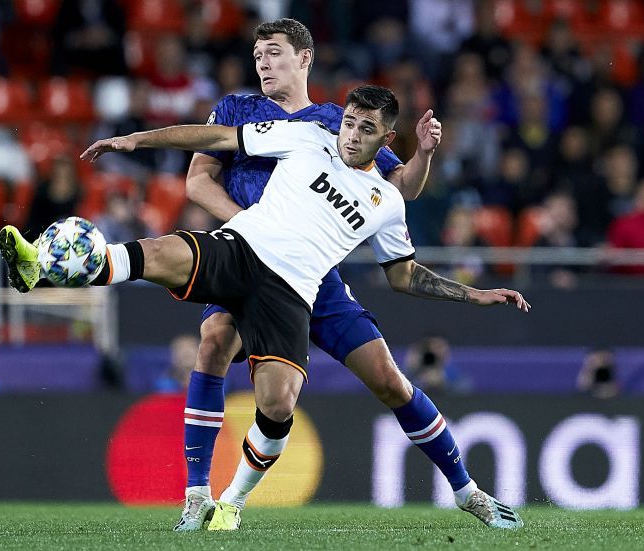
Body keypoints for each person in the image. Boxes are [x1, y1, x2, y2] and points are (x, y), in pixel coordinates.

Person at [0, 84, 529, 531]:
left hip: (292, 291)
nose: (351, 135)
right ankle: (39, 264)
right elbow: (216, 138)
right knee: (159, 254)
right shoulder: (308, 137)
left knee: (278, 406)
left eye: (365, 129)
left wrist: (474, 294)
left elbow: (403, 274)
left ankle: (230, 503)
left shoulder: (386, 203)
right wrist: (138, 140)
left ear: (386, 139)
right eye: (348, 122)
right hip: (243, 248)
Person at [176, 18, 507, 534]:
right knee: (214, 337)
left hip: (315, 275)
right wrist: (252, 230)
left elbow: (401, 189)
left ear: (304, 58)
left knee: (389, 380)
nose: (262, 63)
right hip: (248, 260)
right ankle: (197, 495)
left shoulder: (338, 119)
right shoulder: (236, 108)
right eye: (258, 54)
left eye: (274, 53)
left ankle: (467, 491)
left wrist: (423, 154)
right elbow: (197, 182)